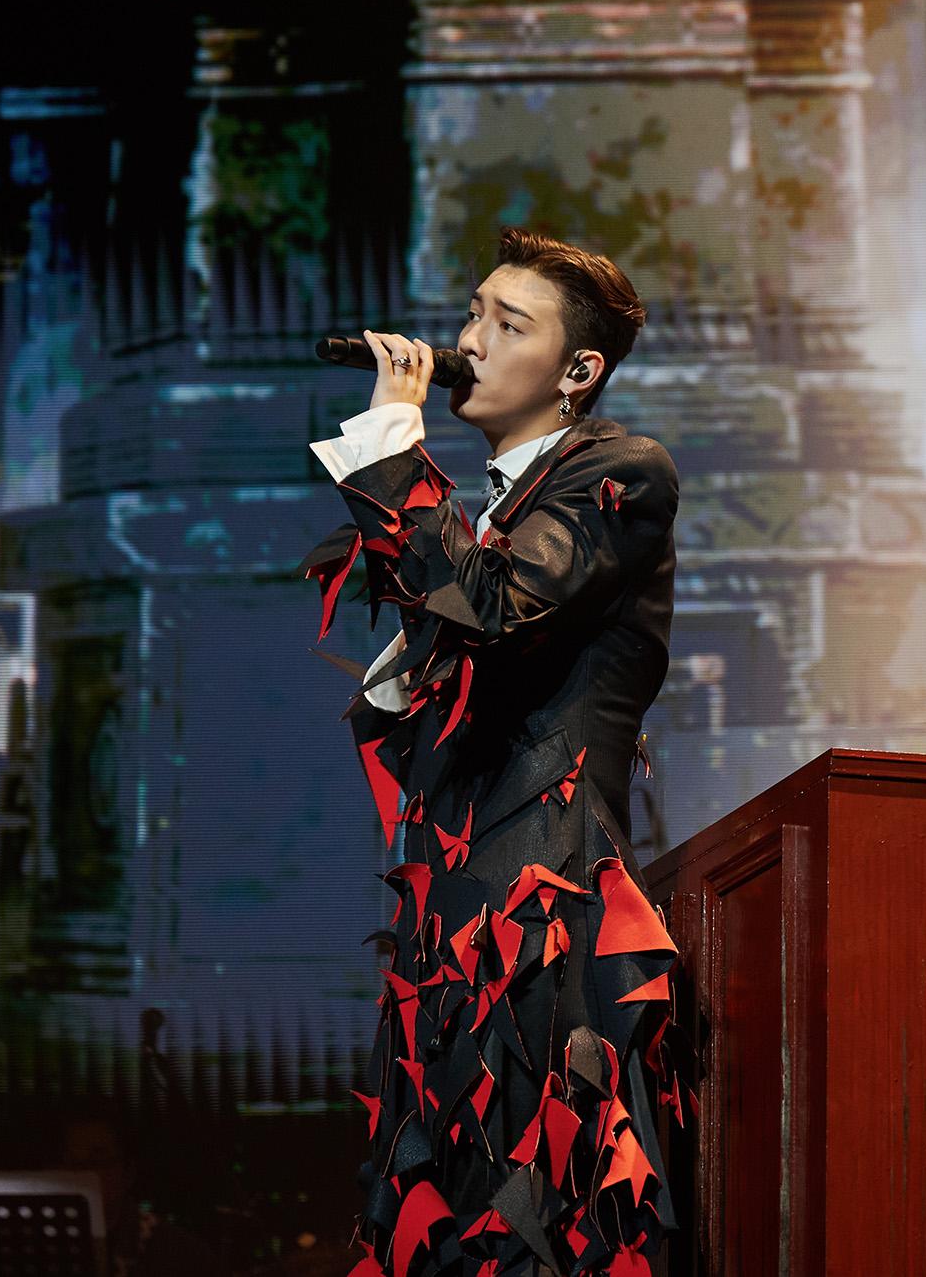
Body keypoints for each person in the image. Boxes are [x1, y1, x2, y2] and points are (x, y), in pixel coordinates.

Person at [299, 229, 686, 1276]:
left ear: (577, 371)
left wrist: (393, 436)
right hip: (450, 921)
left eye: (509, 325)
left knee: (536, 1208)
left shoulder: (620, 471)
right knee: (446, 1210)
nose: (468, 341)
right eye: (473, 313)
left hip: (538, 907)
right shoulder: (500, 512)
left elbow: (492, 609)